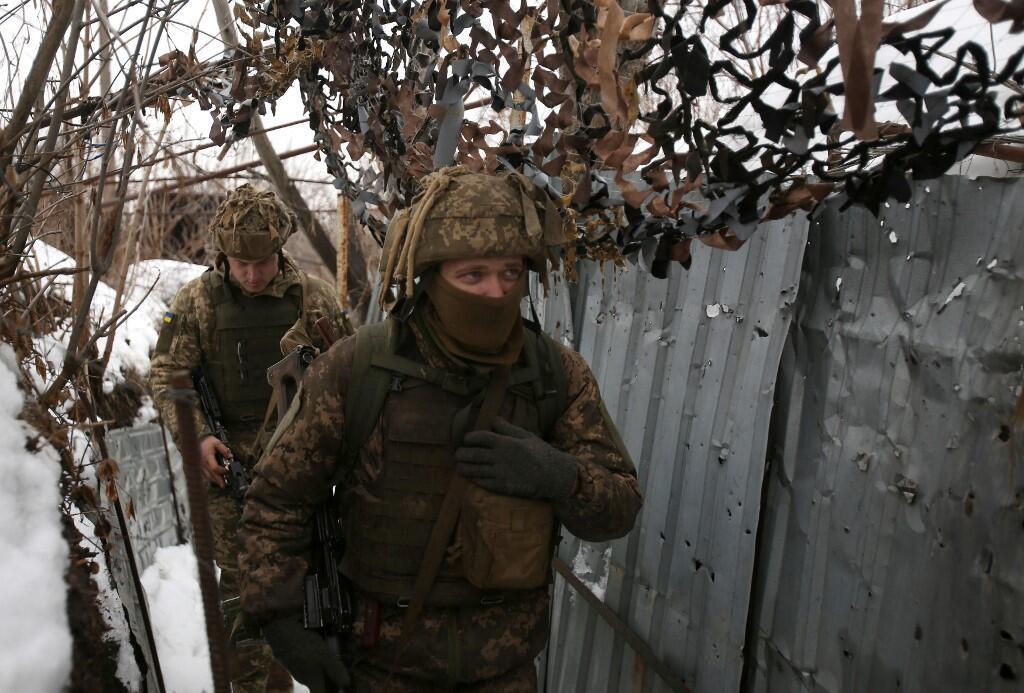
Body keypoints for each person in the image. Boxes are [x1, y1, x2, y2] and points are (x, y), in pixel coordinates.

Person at [238, 168, 643, 692]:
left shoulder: (553, 375)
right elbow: (277, 501)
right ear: (429, 276)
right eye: (473, 275)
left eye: (510, 272)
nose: (496, 292)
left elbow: (619, 507)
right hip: (382, 668)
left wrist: (560, 477)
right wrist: (281, 619)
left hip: (507, 672)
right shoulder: (357, 368)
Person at [150, 184, 352, 693]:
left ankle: (293, 675)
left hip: (301, 472)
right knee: (243, 590)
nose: (251, 274)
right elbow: (166, 376)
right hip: (230, 472)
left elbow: (350, 376)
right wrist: (195, 439)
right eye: (240, 262)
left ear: (279, 249)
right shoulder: (194, 302)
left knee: (310, 581)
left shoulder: (315, 297)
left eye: (261, 261)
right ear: (223, 253)